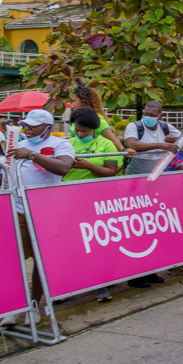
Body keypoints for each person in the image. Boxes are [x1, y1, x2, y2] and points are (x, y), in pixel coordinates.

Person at [0, 109, 73, 327]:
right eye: (26, 124)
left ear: (48, 127)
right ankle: (14, 307)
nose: (27, 128)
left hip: (45, 211)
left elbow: (64, 167)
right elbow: (10, 182)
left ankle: (34, 305)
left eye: (33, 125)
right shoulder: (16, 144)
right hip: (18, 209)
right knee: (14, 260)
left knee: (40, 260)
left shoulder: (60, 144)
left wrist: (33, 155)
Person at [64, 106, 123, 299]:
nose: (80, 134)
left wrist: (88, 165)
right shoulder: (66, 143)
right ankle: (69, 285)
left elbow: (112, 171)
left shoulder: (106, 144)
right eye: (78, 130)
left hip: (96, 200)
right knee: (72, 244)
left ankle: (101, 284)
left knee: (96, 243)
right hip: (68, 199)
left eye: (85, 131)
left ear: (93, 130)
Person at [124, 101, 182, 176]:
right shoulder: (134, 126)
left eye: (152, 115)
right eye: (146, 114)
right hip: (136, 173)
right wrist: (159, 145)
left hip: (158, 174)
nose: (148, 117)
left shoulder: (165, 126)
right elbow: (132, 144)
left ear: (160, 116)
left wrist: (175, 139)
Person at [70, 86, 124, 151]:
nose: (72, 104)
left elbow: (113, 139)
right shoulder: (77, 117)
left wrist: (124, 151)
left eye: (74, 101)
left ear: (84, 101)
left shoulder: (95, 118)